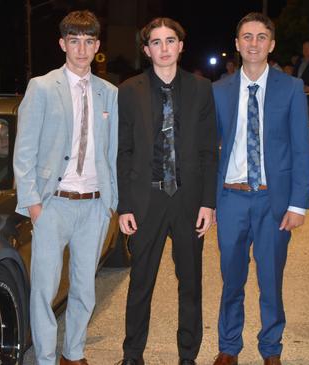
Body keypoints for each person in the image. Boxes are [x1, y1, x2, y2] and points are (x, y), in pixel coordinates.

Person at [13, 10, 118, 365]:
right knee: (43, 290)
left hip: (94, 205)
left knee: (85, 289)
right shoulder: (42, 87)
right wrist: (33, 204)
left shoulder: (109, 93)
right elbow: (24, 150)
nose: (82, 49)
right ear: (63, 44)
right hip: (53, 204)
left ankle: (73, 354)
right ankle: (44, 358)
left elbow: (113, 151)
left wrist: (111, 202)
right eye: (75, 41)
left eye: (89, 41)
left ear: (97, 46)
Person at [211, 12, 309, 365]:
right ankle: (228, 347)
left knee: (271, 280)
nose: (254, 43)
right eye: (247, 37)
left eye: (261, 36)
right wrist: (210, 204)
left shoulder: (291, 88)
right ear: (237, 44)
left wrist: (298, 204)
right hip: (231, 197)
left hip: (274, 200)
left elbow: (301, 147)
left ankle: (271, 349)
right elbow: (210, 151)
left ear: (271, 44)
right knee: (231, 280)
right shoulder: (218, 91)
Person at [117, 17, 217, 365]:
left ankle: (187, 356)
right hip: (147, 200)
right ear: (147, 50)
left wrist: (208, 202)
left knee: (190, 284)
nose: (164, 48)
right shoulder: (129, 90)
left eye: (170, 40)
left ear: (181, 45)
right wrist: (125, 205)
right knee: (140, 283)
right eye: (156, 42)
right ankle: (132, 355)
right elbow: (124, 150)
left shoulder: (201, 89)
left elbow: (208, 151)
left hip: (188, 201)